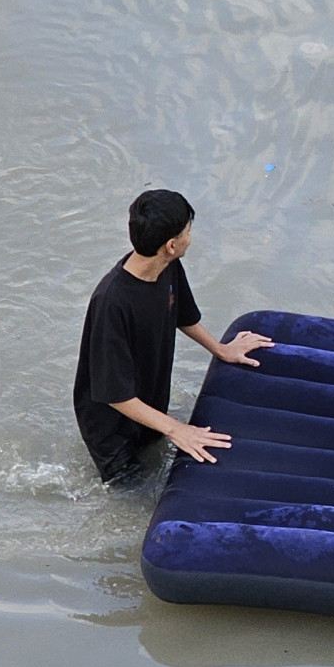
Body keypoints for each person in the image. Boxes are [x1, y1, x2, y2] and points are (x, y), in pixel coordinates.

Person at [72, 188, 274, 482]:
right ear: (171, 244)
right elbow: (115, 395)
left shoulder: (168, 267)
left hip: (151, 405)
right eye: (188, 231)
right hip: (113, 432)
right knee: (133, 495)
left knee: (158, 464)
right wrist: (176, 428)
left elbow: (183, 315)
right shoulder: (111, 302)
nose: (190, 238)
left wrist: (221, 349)